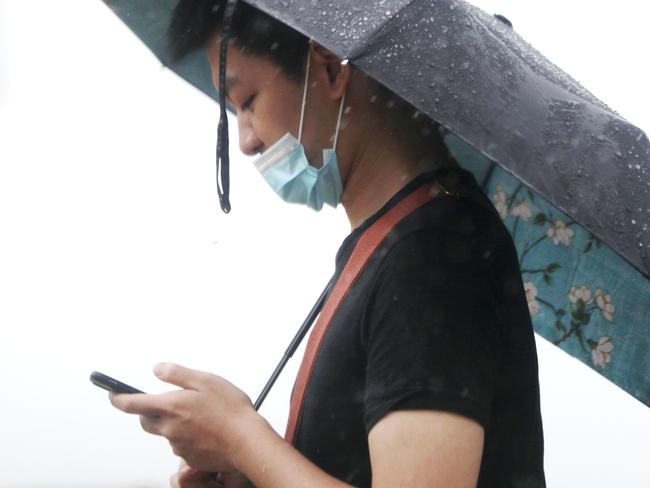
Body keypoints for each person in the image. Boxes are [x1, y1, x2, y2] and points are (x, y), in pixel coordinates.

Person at [110, 1, 545, 487]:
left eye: (247, 101)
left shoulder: (430, 254)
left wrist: (242, 439)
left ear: (328, 67)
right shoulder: (393, 245)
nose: (246, 142)